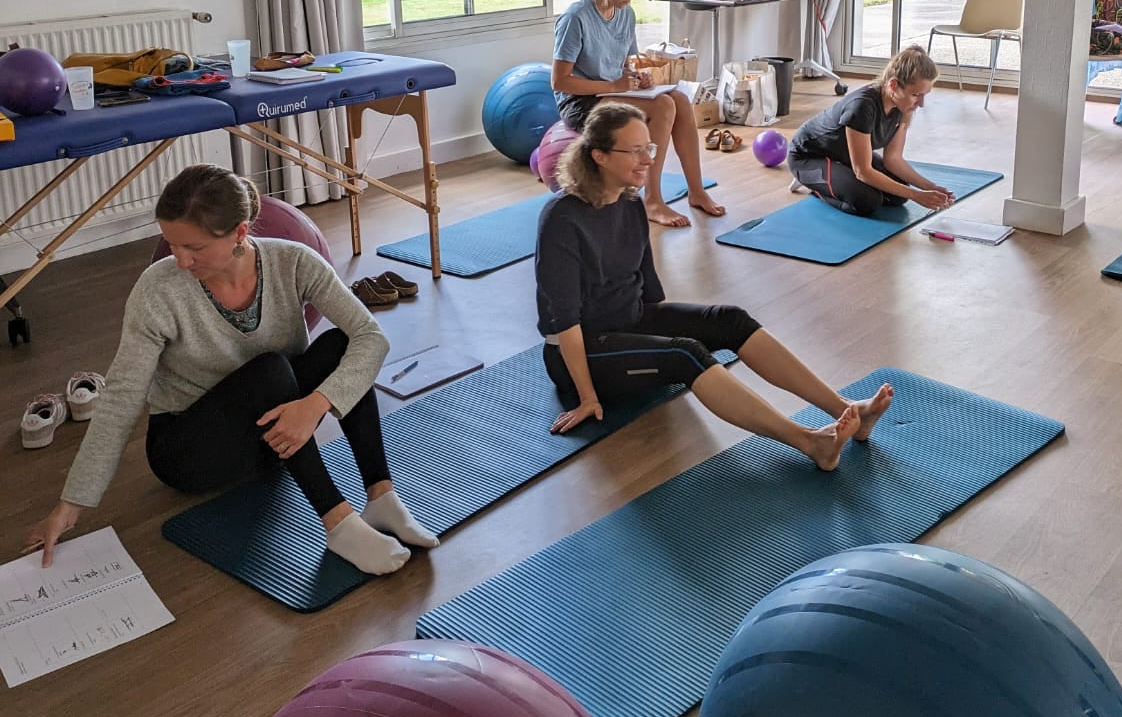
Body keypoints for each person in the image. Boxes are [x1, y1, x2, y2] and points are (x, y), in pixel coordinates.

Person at [23, 165, 438, 575]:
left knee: (343, 344)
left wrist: (315, 404)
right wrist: (70, 504)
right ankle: (338, 523)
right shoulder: (158, 289)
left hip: (272, 436)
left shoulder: (294, 261)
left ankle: (381, 496)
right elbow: (122, 397)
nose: (180, 259)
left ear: (240, 233)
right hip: (191, 450)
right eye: (171, 244)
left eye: (195, 248)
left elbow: (372, 336)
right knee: (271, 372)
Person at [534, 102, 892, 465]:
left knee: (729, 319)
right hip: (577, 352)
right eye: (636, 150)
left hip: (627, 320)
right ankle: (810, 443)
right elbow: (565, 321)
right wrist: (587, 395)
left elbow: (650, 295)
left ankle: (848, 410)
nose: (647, 159)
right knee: (684, 353)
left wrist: (659, 341)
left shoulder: (629, 204)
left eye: (650, 148)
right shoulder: (562, 219)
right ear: (600, 156)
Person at [552, 0, 724, 227]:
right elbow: (560, 81)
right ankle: (653, 201)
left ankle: (696, 191)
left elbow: (622, 65)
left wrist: (636, 76)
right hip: (581, 101)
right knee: (664, 105)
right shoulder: (575, 18)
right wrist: (612, 85)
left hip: (613, 92)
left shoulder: (625, 15)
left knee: (679, 99)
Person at [787, 45, 956, 217]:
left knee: (898, 196)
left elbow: (893, 159)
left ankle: (836, 179)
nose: (921, 103)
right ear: (894, 85)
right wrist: (917, 196)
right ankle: (814, 186)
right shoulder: (862, 107)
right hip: (808, 157)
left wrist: (931, 188)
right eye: (916, 95)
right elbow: (863, 171)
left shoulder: (903, 108)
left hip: (844, 157)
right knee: (867, 201)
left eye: (924, 95)